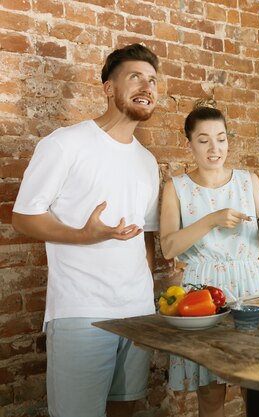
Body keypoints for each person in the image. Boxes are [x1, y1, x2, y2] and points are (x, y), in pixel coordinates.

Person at [12, 44, 161, 417]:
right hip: (82, 313)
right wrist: (84, 235)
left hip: (138, 313)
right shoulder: (65, 144)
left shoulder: (147, 161)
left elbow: (146, 236)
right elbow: (23, 217)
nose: (147, 86)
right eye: (135, 77)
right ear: (108, 88)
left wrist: (149, 296)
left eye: (153, 80)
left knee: (125, 410)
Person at [159, 101, 259, 417]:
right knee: (211, 390)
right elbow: (169, 248)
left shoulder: (248, 181)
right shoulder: (176, 188)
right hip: (203, 290)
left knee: (258, 387)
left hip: (250, 284)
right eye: (203, 140)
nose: (214, 148)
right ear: (189, 144)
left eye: (221, 138)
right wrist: (210, 220)